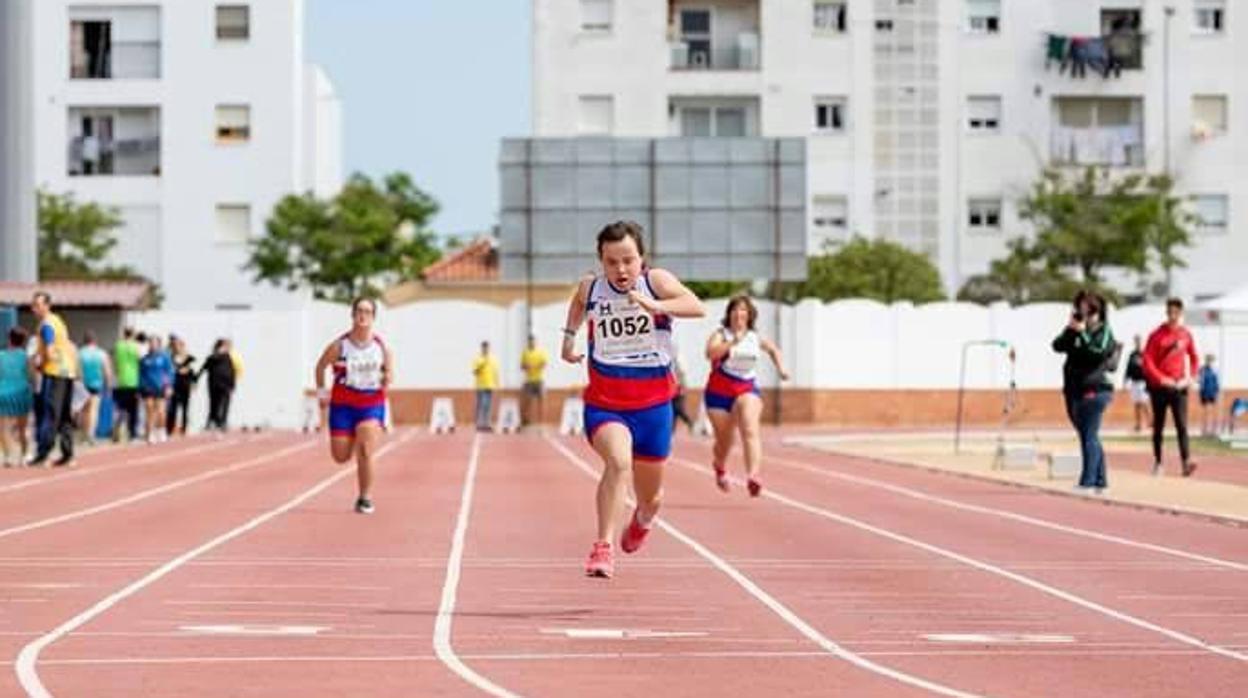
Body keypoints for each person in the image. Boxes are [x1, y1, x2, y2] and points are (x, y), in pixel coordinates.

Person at [561, 220, 705, 579]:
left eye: (628, 260)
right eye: (612, 262)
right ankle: (603, 547)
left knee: (650, 498)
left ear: (642, 258)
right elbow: (579, 304)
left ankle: (642, 520)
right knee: (618, 463)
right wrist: (568, 338)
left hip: (654, 408)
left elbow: (695, 305)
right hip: (606, 404)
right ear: (601, 261)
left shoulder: (655, 281)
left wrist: (654, 304)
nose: (621, 270)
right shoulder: (590, 288)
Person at [704, 295, 791, 497]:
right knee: (725, 440)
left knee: (750, 429)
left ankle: (753, 475)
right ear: (729, 314)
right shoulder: (721, 334)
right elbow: (710, 353)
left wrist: (782, 369)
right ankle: (719, 465)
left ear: (749, 315)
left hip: (746, 388)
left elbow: (773, 349)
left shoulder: (754, 337)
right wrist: (733, 341)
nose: (739, 314)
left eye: (743, 310)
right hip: (719, 393)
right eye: (735, 310)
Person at [314, 297, 394, 514]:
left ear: (373, 317)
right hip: (343, 405)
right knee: (340, 456)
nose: (363, 315)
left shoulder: (381, 347)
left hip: (370, 403)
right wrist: (322, 394)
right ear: (352, 315)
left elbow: (389, 373)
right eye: (359, 311)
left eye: (368, 312)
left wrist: (387, 378)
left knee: (366, 450)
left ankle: (365, 497)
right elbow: (320, 367)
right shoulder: (339, 346)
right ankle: (352, 443)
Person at [1052, 291, 1119, 495]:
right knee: (1088, 436)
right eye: (1081, 311)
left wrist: (1082, 333)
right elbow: (1057, 346)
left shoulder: (1104, 331)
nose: (1085, 317)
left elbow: (1096, 353)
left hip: (1095, 390)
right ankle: (1100, 481)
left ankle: (1087, 481)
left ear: (1098, 313)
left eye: (1089, 312)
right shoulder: (1075, 331)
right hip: (1073, 390)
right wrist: (1071, 330)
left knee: (1089, 435)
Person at [1143, 298, 1200, 477]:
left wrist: (1190, 377)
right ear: (1166, 313)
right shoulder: (1156, 335)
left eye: (1176, 313)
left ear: (1181, 314)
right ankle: (1158, 462)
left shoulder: (1185, 334)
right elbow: (1147, 361)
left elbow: (1195, 357)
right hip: (1159, 388)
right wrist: (1161, 379)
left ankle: (1186, 461)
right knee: (1158, 426)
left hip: (1179, 387)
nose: (1173, 316)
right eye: (1170, 313)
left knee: (1182, 425)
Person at [29, 292, 78, 467]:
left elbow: (49, 351)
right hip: (67, 371)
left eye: (38, 305)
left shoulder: (47, 325)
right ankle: (68, 453)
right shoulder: (58, 321)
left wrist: (40, 364)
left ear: (47, 305)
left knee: (51, 413)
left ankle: (43, 454)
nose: (34, 308)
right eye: (33, 305)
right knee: (64, 414)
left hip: (55, 371)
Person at [0, 327, 35, 467]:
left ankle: (8, 456)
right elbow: (31, 375)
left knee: (3, 428)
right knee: (23, 427)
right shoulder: (26, 356)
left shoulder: (1, 355)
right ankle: (25, 454)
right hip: (21, 392)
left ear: (9, 339)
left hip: (3, 393)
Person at [77, 331, 113, 445]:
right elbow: (107, 371)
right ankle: (90, 435)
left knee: (83, 411)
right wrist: (108, 385)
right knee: (93, 410)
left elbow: (77, 370)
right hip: (96, 384)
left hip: (83, 384)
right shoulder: (101, 353)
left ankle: (83, 436)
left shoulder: (80, 353)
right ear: (95, 341)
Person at [138, 334, 173, 444]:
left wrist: (168, 386)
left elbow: (169, 372)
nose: (152, 345)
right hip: (148, 388)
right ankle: (150, 434)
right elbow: (141, 374)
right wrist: (140, 388)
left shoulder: (164, 357)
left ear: (159, 344)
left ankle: (161, 430)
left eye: (154, 343)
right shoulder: (144, 359)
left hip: (160, 387)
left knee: (161, 411)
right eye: (150, 343)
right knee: (149, 410)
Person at [111, 327, 142, 442]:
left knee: (120, 408)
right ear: (132, 334)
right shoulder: (135, 346)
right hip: (133, 382)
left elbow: (115, 362)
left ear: (124, 334)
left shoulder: (118, 346)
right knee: (133, 410)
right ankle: (132, 433)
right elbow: (140, 362)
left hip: (120, 381)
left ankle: (116, 431)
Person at [199, 339, 236, 433]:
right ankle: (213, 421)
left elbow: (232, 371)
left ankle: (223, 422)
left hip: (226, 384)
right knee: (213, 404)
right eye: (224, 346)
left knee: (225, 403)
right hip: (214, 384)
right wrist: (196, 379)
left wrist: (232, 384)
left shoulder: (228, 357)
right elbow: (204, 367)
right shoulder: (213, 357)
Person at [166, 336, 197, 437]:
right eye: (176, 346)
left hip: (185, 384)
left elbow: (191, 372)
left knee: (185, 408)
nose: (177, 348)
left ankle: (184, 428)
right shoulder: (171, 357)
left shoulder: (188, 357)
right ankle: (170, 428)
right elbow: (171, 370)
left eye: (180, 346)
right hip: (175, 384)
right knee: (173, 408)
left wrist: (193, 383)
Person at [1123, 335, 1150, 433]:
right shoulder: (1132, 355)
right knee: (1136, 404)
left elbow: (1149, 367)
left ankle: (1150, 422)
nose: (1137, 343)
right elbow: (1128, 368)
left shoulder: (1145, 353)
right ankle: (1138, 424)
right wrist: (1125, 379)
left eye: (1139, 341)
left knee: (1144, 402)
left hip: (1143, 382)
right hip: (1134, 382)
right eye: (1136, 341)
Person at [519, 334, 548, 428]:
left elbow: (544, 363)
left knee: (542, 400)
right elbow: (522, 366)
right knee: (527, 401)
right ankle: (527, 420)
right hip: (529, 380)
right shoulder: (525, 352)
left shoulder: (540, 352)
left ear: (535, 341)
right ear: (528, 342)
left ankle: (541, 421)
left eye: (532, 341)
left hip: (539, 380)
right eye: (530, 341)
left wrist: (536, 366)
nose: (531, 342)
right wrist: (527, 366)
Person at [472, 341, 499, 432]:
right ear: (481, 348)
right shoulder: (477, 359)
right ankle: (479, 423)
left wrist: (496, 383)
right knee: (481, 404)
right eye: (484, 347)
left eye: (487, 348)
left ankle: (487, 423)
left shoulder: (492, 359)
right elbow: (475, 372)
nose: (485, 349)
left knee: (488, 405)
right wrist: (482, 364)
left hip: (489, 385)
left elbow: (495, 372)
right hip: (480, 385)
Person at [1199, 354, 1221, 437]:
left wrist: (1217, 392)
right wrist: (1201, 393)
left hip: (1213, 393)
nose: (1210, 362)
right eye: (1209, 360)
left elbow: (1217, 382)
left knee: (1214, 412)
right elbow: (1201, 382)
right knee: (1206, 412)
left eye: (1211, 361)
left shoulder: (1214, 370)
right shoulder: (1203, 370)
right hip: (1205, 393)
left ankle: (1213, 430)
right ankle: (1204, 430)